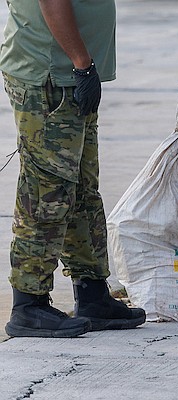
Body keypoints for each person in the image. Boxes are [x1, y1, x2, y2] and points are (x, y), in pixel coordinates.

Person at [1, 0, 145, 338]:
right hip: (52, 75)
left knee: (81, 189)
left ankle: (92, 292)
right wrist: (82, 63)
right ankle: (29, 304)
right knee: (47, 192)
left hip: (67, 74)